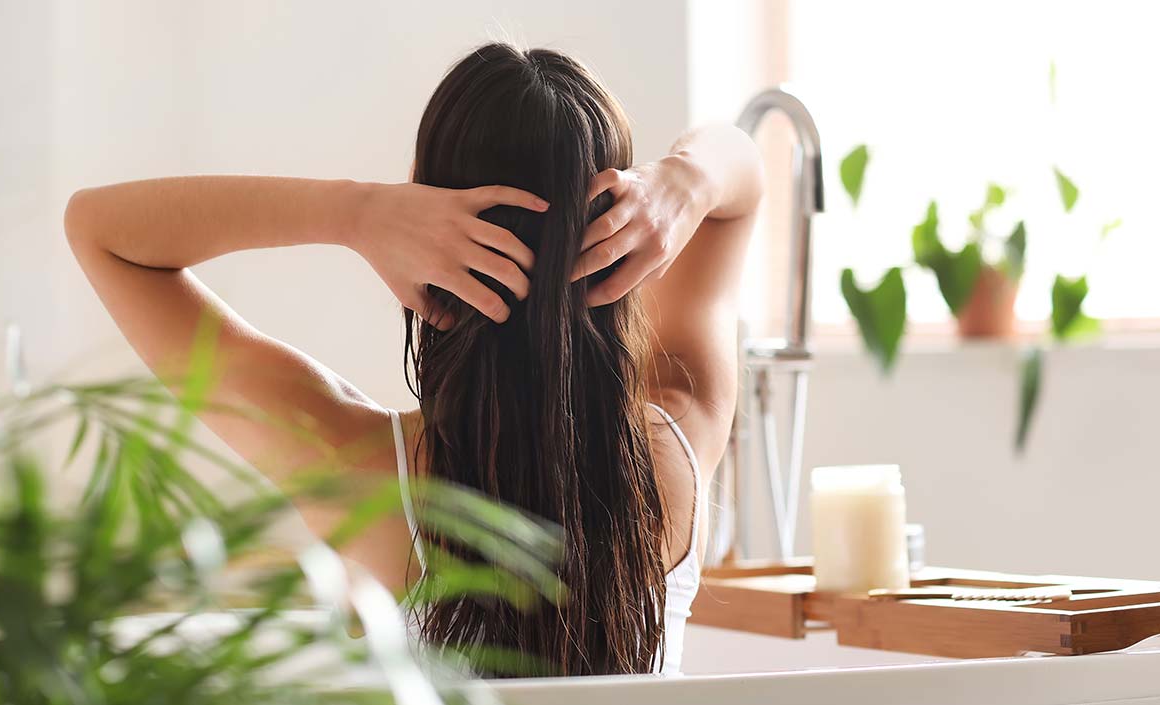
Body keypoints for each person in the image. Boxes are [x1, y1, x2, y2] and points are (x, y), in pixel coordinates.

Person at [65, 42, 762, 677]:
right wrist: (683, 182)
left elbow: (100, 230)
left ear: (423, 222)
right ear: (629, 230)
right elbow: (744, 179)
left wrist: (357, 212)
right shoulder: (678, 450)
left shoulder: (359, 472)